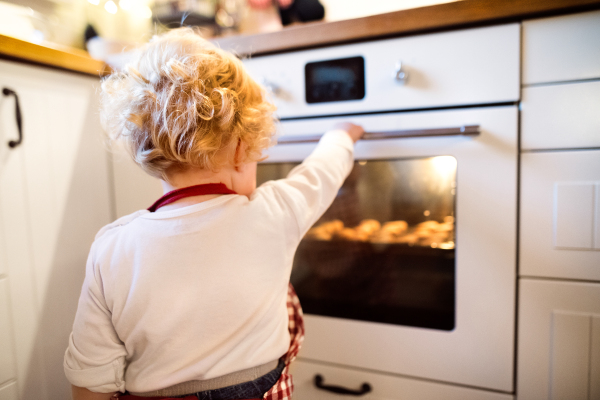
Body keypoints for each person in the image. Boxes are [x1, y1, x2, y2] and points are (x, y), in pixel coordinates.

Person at [64, 27, 364, 400]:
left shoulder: (111, 247)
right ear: (241, 150)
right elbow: (321, 172)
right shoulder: (276, 211)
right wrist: (340, 136)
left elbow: (90, 378)